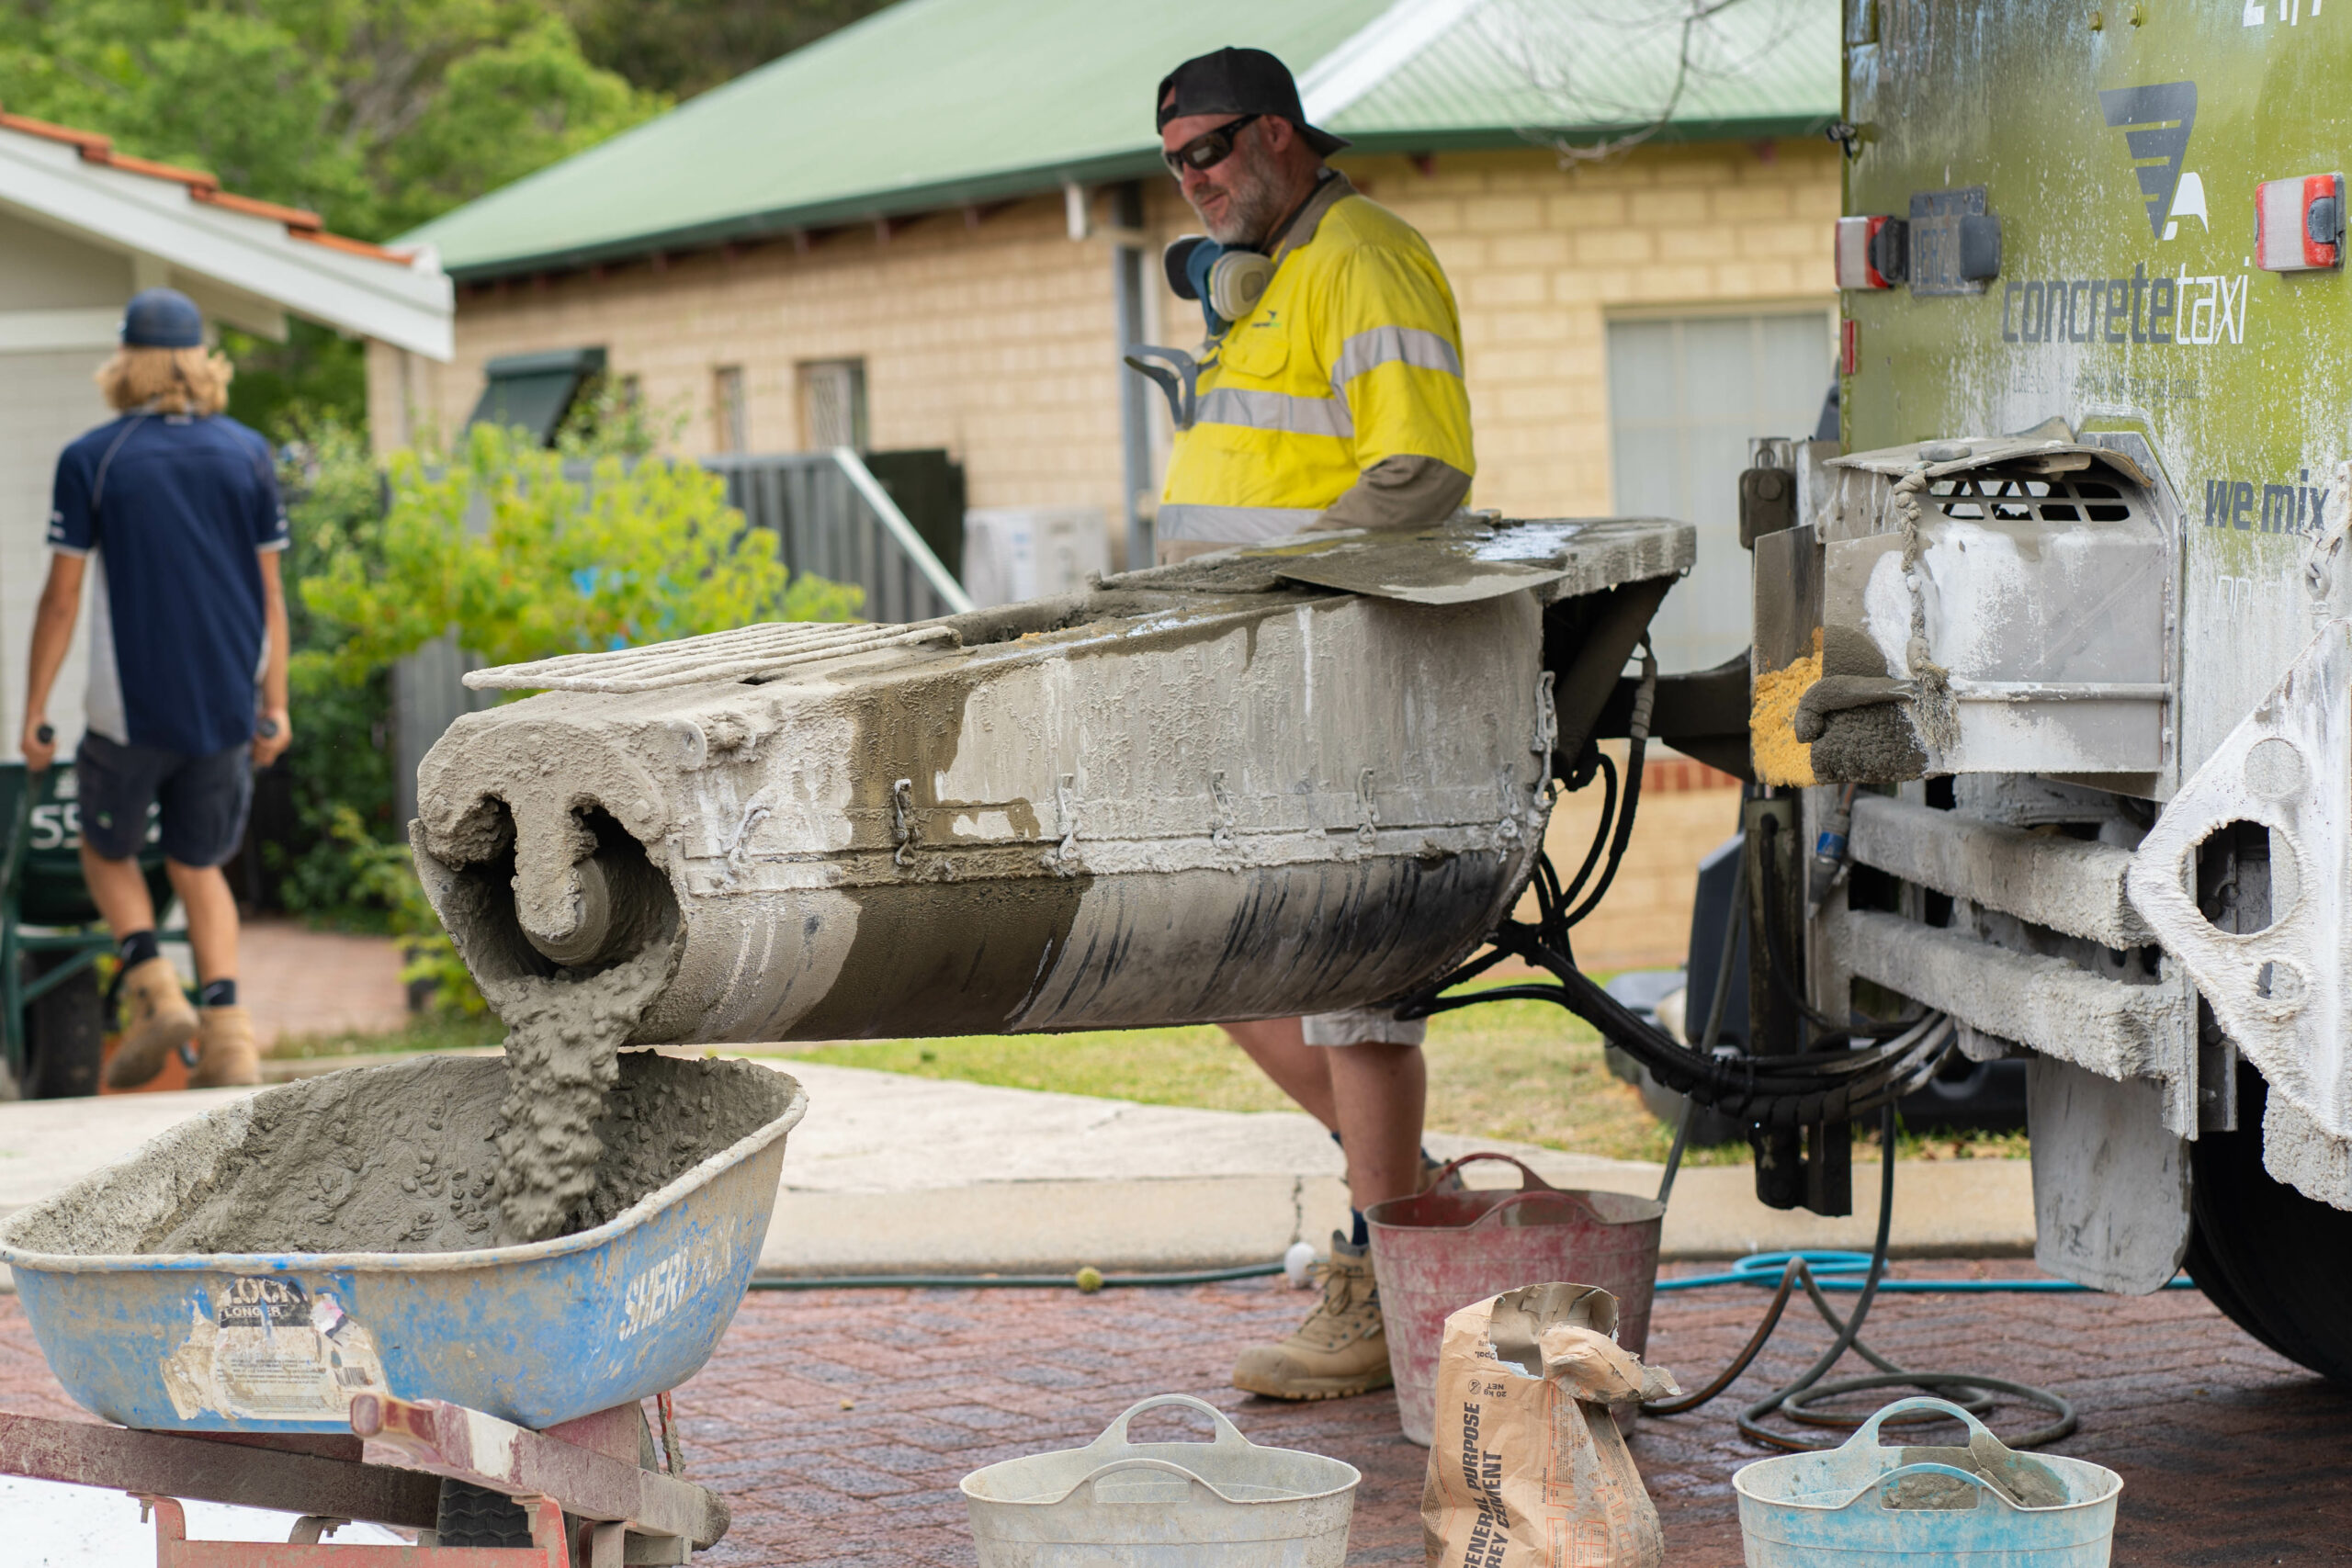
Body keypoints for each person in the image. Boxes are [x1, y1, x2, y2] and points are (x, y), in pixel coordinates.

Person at [1150, 47, 1476, 1401]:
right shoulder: (1278, 276)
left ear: (1279, 134)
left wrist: (1287, 597)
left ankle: (1384, 1267)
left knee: (1354, 987)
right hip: (1263, 672)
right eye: (1172, 164)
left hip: (1332, 668)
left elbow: (1419, 474)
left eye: (1210, 152)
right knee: (1225, 967)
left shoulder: (1361, 257)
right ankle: (1410, 1202)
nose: (1192, 182)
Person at [19, 288, 292, 1090]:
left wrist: (33, 711)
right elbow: (272, 597)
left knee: (105, 851)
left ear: (126, 362)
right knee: (197, 864)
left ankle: (153, 988)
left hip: (126, 711)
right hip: (223, 708)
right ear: (199, 360)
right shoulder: (248, 453)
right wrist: (274, 703)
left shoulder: (94, 457)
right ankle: (230, 1036)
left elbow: (62, 597)